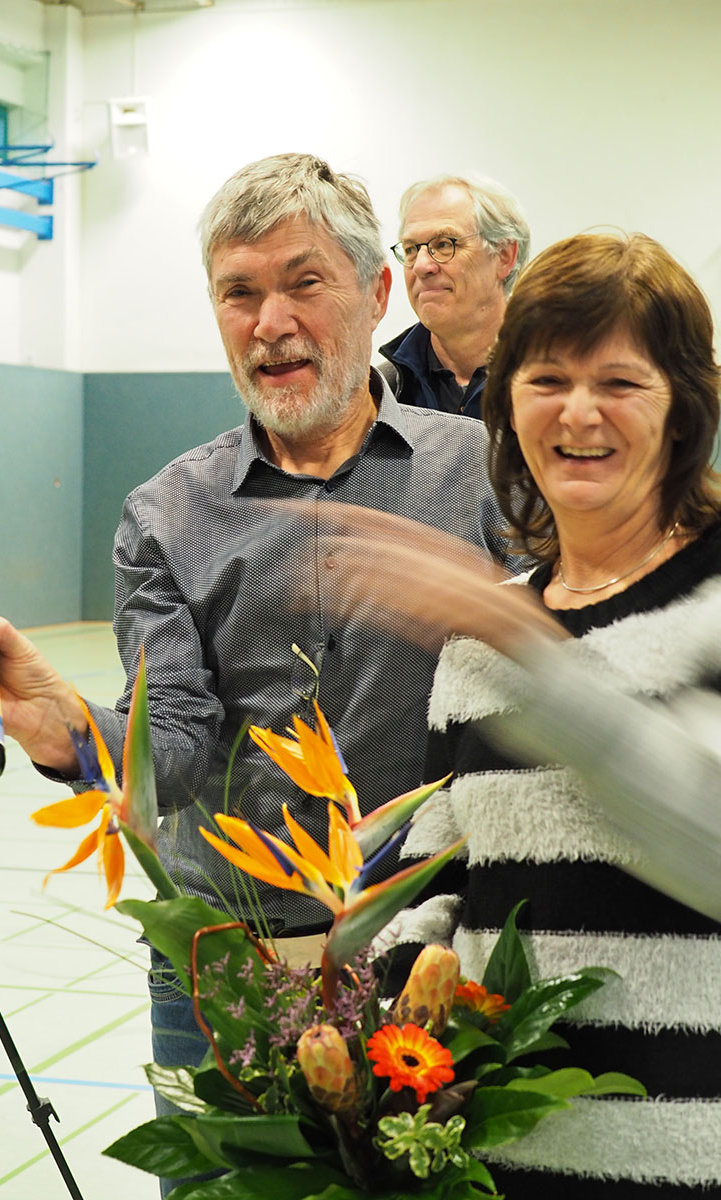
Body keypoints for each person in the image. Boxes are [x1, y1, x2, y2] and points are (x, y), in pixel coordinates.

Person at [0, 154, 522, 1197]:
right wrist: (78, 735)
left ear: (374, 293)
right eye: (238, 291)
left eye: (303, 282)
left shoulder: (488, 470)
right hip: (229, 963)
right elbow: (170, 741)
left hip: (433, 949)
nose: (270, 321)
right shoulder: (166, 512)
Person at [316, 231, 721, 1197]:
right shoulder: (481, 635)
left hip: (683, 1160)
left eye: (620, 381)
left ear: (683, 412)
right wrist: (374, 1034)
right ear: (506, 407)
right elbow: (449, 873)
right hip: (495, 1169)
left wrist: (542, 668)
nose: (579, 412)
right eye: (546, 379)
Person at [378, 172, 530, 418]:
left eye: (444, 244)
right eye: (411, 250)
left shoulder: (554, 383)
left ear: (504, 256)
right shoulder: (382, 396)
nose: (421, 266)